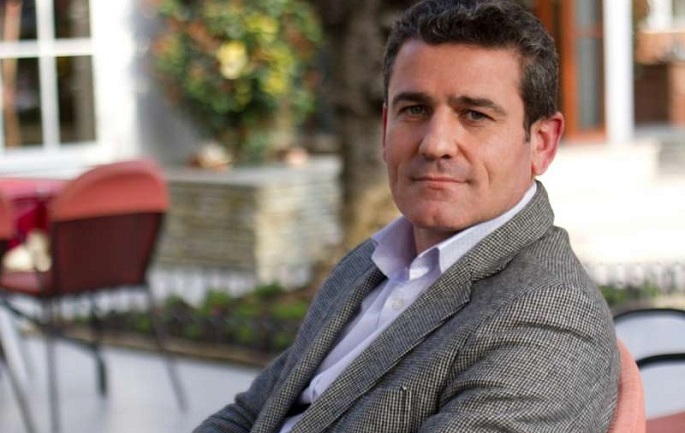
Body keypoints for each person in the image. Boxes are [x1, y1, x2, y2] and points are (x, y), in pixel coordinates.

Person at [194, 0, 619, 432]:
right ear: (385, 128)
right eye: (414, 110)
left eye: (474, 115)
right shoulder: (369, 264)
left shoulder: (550, 318)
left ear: (542, 143)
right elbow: (251, 415)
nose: (435, 144)